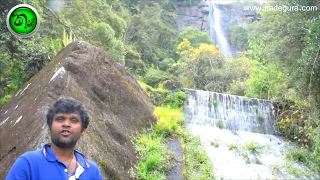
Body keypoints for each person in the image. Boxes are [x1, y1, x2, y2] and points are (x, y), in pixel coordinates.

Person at [6, 97, 103, 180]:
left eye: (74, 120)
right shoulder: (28, 163)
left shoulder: (92, 171)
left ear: (83, 128)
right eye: (60, 119)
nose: (66, 124)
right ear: (50, 125)